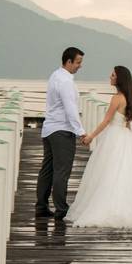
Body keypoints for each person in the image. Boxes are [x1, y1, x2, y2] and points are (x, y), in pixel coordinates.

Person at [65, 65, 132, 228]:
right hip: (125, 137)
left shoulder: (116, 98)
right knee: (124, 172)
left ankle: (109, 207)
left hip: (114, 137)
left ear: (119, 79)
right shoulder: (128, 97)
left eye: (113, 75)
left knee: (109, 171)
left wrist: (90, 137)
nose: (110, 77)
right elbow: (126, 123)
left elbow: (106, 121)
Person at [37, 47, 87, 221]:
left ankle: (41, 206)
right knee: (62, 171)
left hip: (49, 129)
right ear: (69, 61)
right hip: (62, 130)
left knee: (47, 170)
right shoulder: (66, 81)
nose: (80, 66)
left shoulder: (54, 75)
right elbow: (70, 109)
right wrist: (80, 132)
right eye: (78, 62)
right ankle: (61, 209)